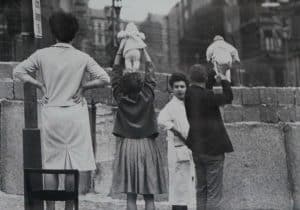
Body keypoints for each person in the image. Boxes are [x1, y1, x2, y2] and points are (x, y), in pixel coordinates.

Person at [13, 11, 110, 210]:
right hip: (75, 114)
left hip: (52, 113)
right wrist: (84, 87)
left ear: (53, 32)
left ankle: (51, 208)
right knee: (71, 166)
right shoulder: (82, 57)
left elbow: (18, 71)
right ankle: (69, 207)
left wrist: (39, 84)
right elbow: (105, 78)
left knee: (51, 165)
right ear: (74, 34)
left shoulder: (42, 55)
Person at [110, 46, 168, 210]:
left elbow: (114, 75)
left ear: (123, 87)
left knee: (131, 195)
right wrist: (144, 51)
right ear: (142, 85)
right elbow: (151, 75)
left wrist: (120, 51)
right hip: (147, 145)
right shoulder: (148, 95)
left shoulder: (120, 97)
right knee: (149, 196)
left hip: (128, 146)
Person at [184, 64, 234, 210]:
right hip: (213, 150)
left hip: (197, 149)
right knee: (214, 194)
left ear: (190, 78)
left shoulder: (187, 94)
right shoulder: (208, 96)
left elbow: (203, 90)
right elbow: (228, 97)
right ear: (205, 79)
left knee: (201, 190)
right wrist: (223, 80)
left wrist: (211, 79)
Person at [158, 72, 196, 210]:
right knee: (178, 187)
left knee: (188, 186)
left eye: (182, 86)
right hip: (177, 150)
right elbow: (161, 120)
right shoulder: (171, 106)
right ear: (172, 89)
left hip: (190, 149)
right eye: (176, 87)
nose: (180, 89)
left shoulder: (188, 104)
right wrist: (177, 132)